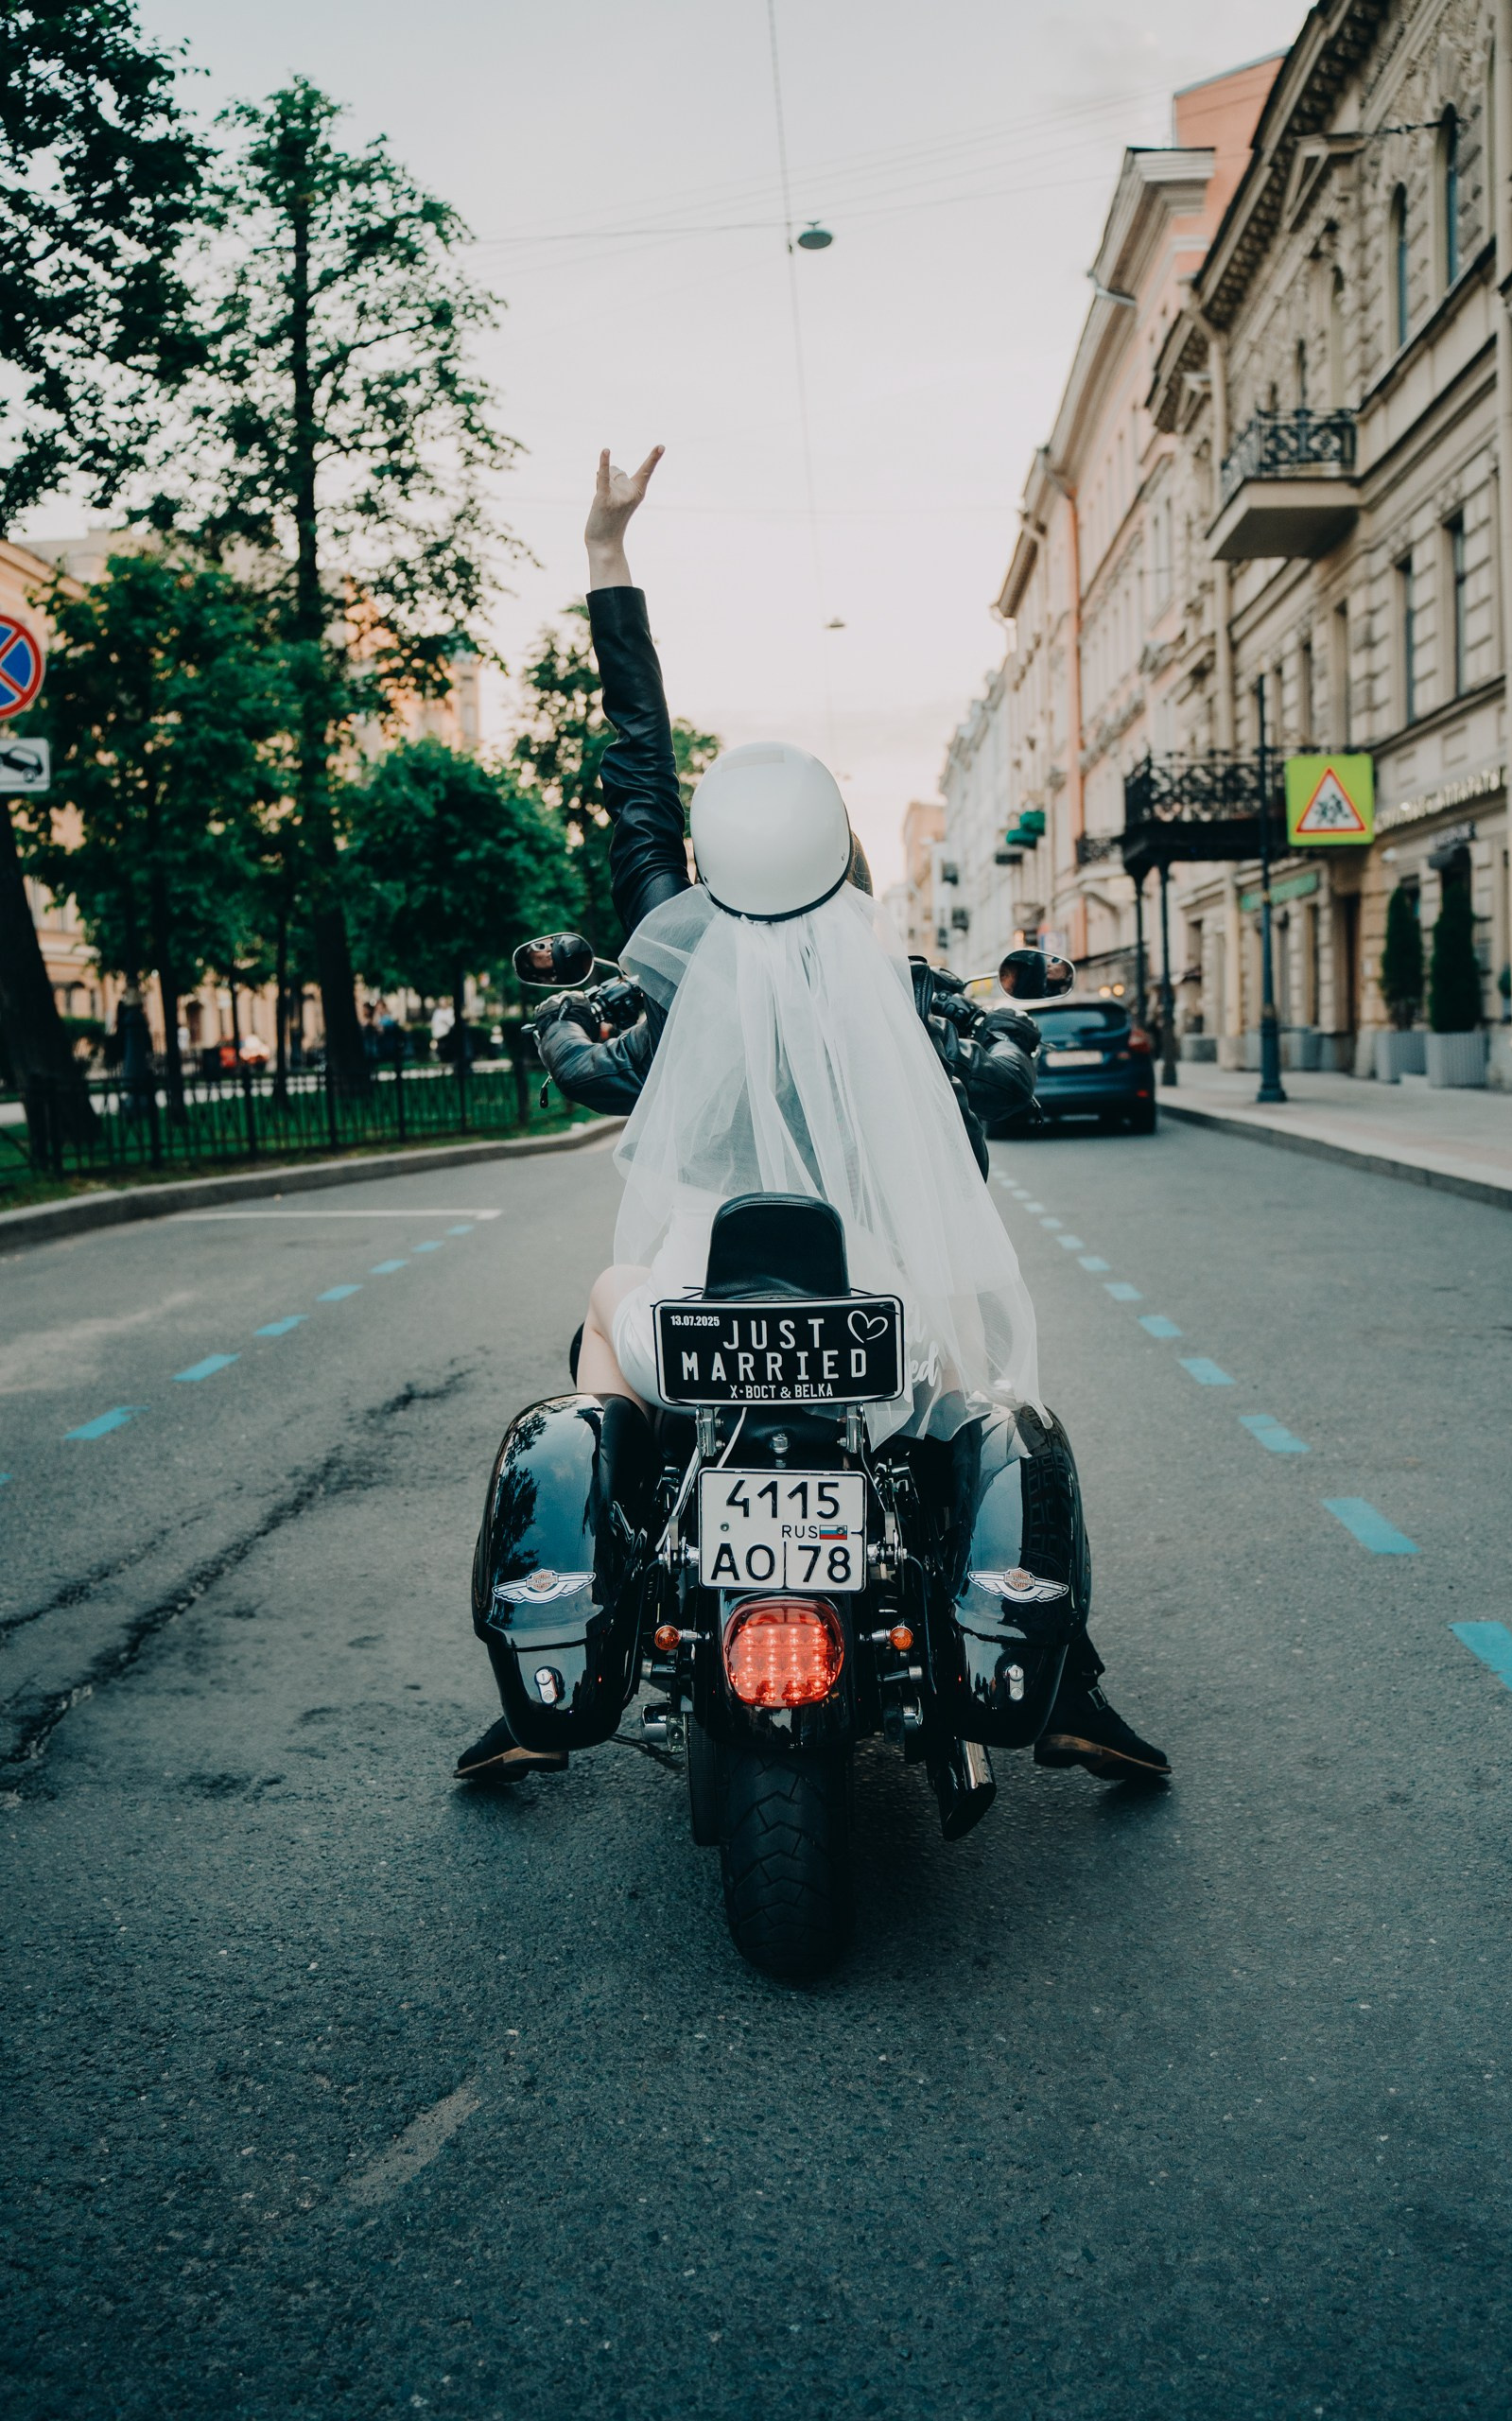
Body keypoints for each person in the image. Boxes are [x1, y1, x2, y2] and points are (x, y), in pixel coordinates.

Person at [457, 447, 1167, 1785]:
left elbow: (635, 782)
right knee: (980, 1397)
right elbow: (997, 1074)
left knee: (604, 1313)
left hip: (696, 1336)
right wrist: (993, 1040)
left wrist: (609, 562)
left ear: (710, 864)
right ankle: (1070, 1686)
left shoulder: (670, 964)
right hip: (871, 1336)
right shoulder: (891, 983)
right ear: (844, 863)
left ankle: (562, 1660)